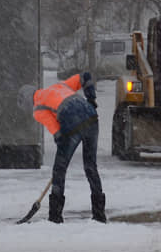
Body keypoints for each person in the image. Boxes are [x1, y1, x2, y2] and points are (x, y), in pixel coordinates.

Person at [29, 72, 105, 223]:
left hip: (72, 123)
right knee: (90, 167)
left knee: (59, 170)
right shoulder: (59, 86)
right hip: (91, 117)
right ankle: (99, 214)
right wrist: (91, 98)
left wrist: (62, 148)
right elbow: (85, 76)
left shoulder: (38, 108)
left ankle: (55, 216)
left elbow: (57, 132)